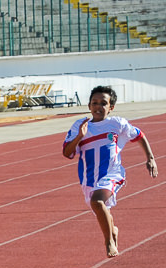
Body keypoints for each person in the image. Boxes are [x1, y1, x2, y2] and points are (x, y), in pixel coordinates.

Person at [62, 85, 157, 258]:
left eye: (103, 103)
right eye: (94, 103)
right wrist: (79, 137)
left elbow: (139, 135)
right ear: (89, 106)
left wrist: (150, 158)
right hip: (88, 179)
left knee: (97, 202)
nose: (98, 106)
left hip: (112, 174)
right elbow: (67, 153)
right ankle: (112, 229)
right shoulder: (80, 125)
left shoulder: (117, 124)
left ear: (111, 107)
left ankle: (109, 242)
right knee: (101, 208)